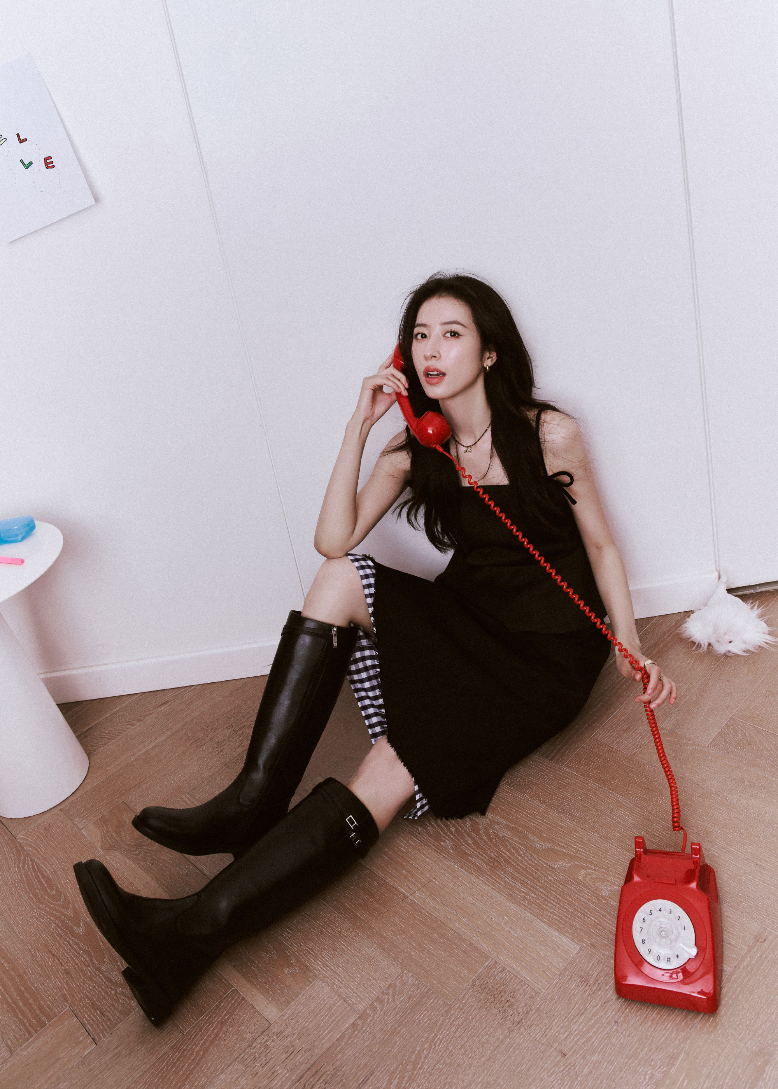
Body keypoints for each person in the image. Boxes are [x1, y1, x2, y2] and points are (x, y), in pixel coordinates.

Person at [74, 273, 677, 1025]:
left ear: (490, 352)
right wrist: (358, 430)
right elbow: (334, 540)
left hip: (542, 654)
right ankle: (249, 808)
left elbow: (602, 544)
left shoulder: (549, 433)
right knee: (340, 575)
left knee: (390, 766)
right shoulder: (418, 446)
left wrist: (629, 643)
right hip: (469, 617)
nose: (431, 350)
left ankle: (187, 934)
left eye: (451, 333)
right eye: (420, 336)